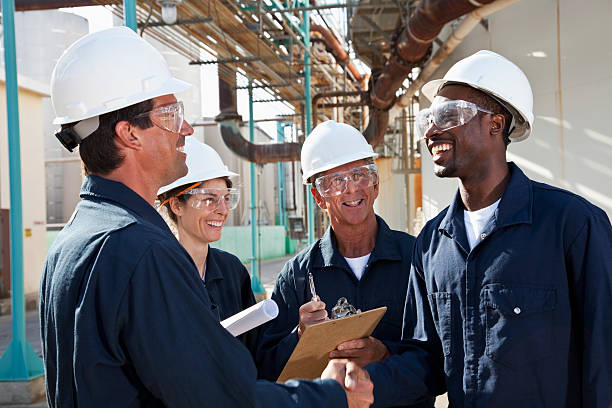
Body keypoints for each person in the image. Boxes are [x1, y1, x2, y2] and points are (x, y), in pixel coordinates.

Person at [40, 27, 373, 408]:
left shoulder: (72, 242)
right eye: (170, 113)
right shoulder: (142, 252)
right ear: (129, 133)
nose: (186, 128)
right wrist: (332, 396)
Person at [332, 50, 612, 407]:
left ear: (495, 124)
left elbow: (604, 357)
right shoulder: (432, 244)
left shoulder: (571, 225)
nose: (432, 131)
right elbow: (427, 359)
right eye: (429, 119)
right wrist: (371, 382)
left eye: (449, 115)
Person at [256, 120, 434, 408]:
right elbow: (267, 371)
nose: (351, 189)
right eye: (335, 181)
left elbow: (440, 360)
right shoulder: (298, 275)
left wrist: (385, 354)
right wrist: (300, 336)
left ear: (375, 184)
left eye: (360, 175)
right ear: (318, 196)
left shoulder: (418, 258)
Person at [157, 136, 259, 355]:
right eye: (209, 199)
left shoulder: (231, 270)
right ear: (176, 204)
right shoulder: (157, 275)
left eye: (226, 198)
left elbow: (256, 351)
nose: (223, 210)